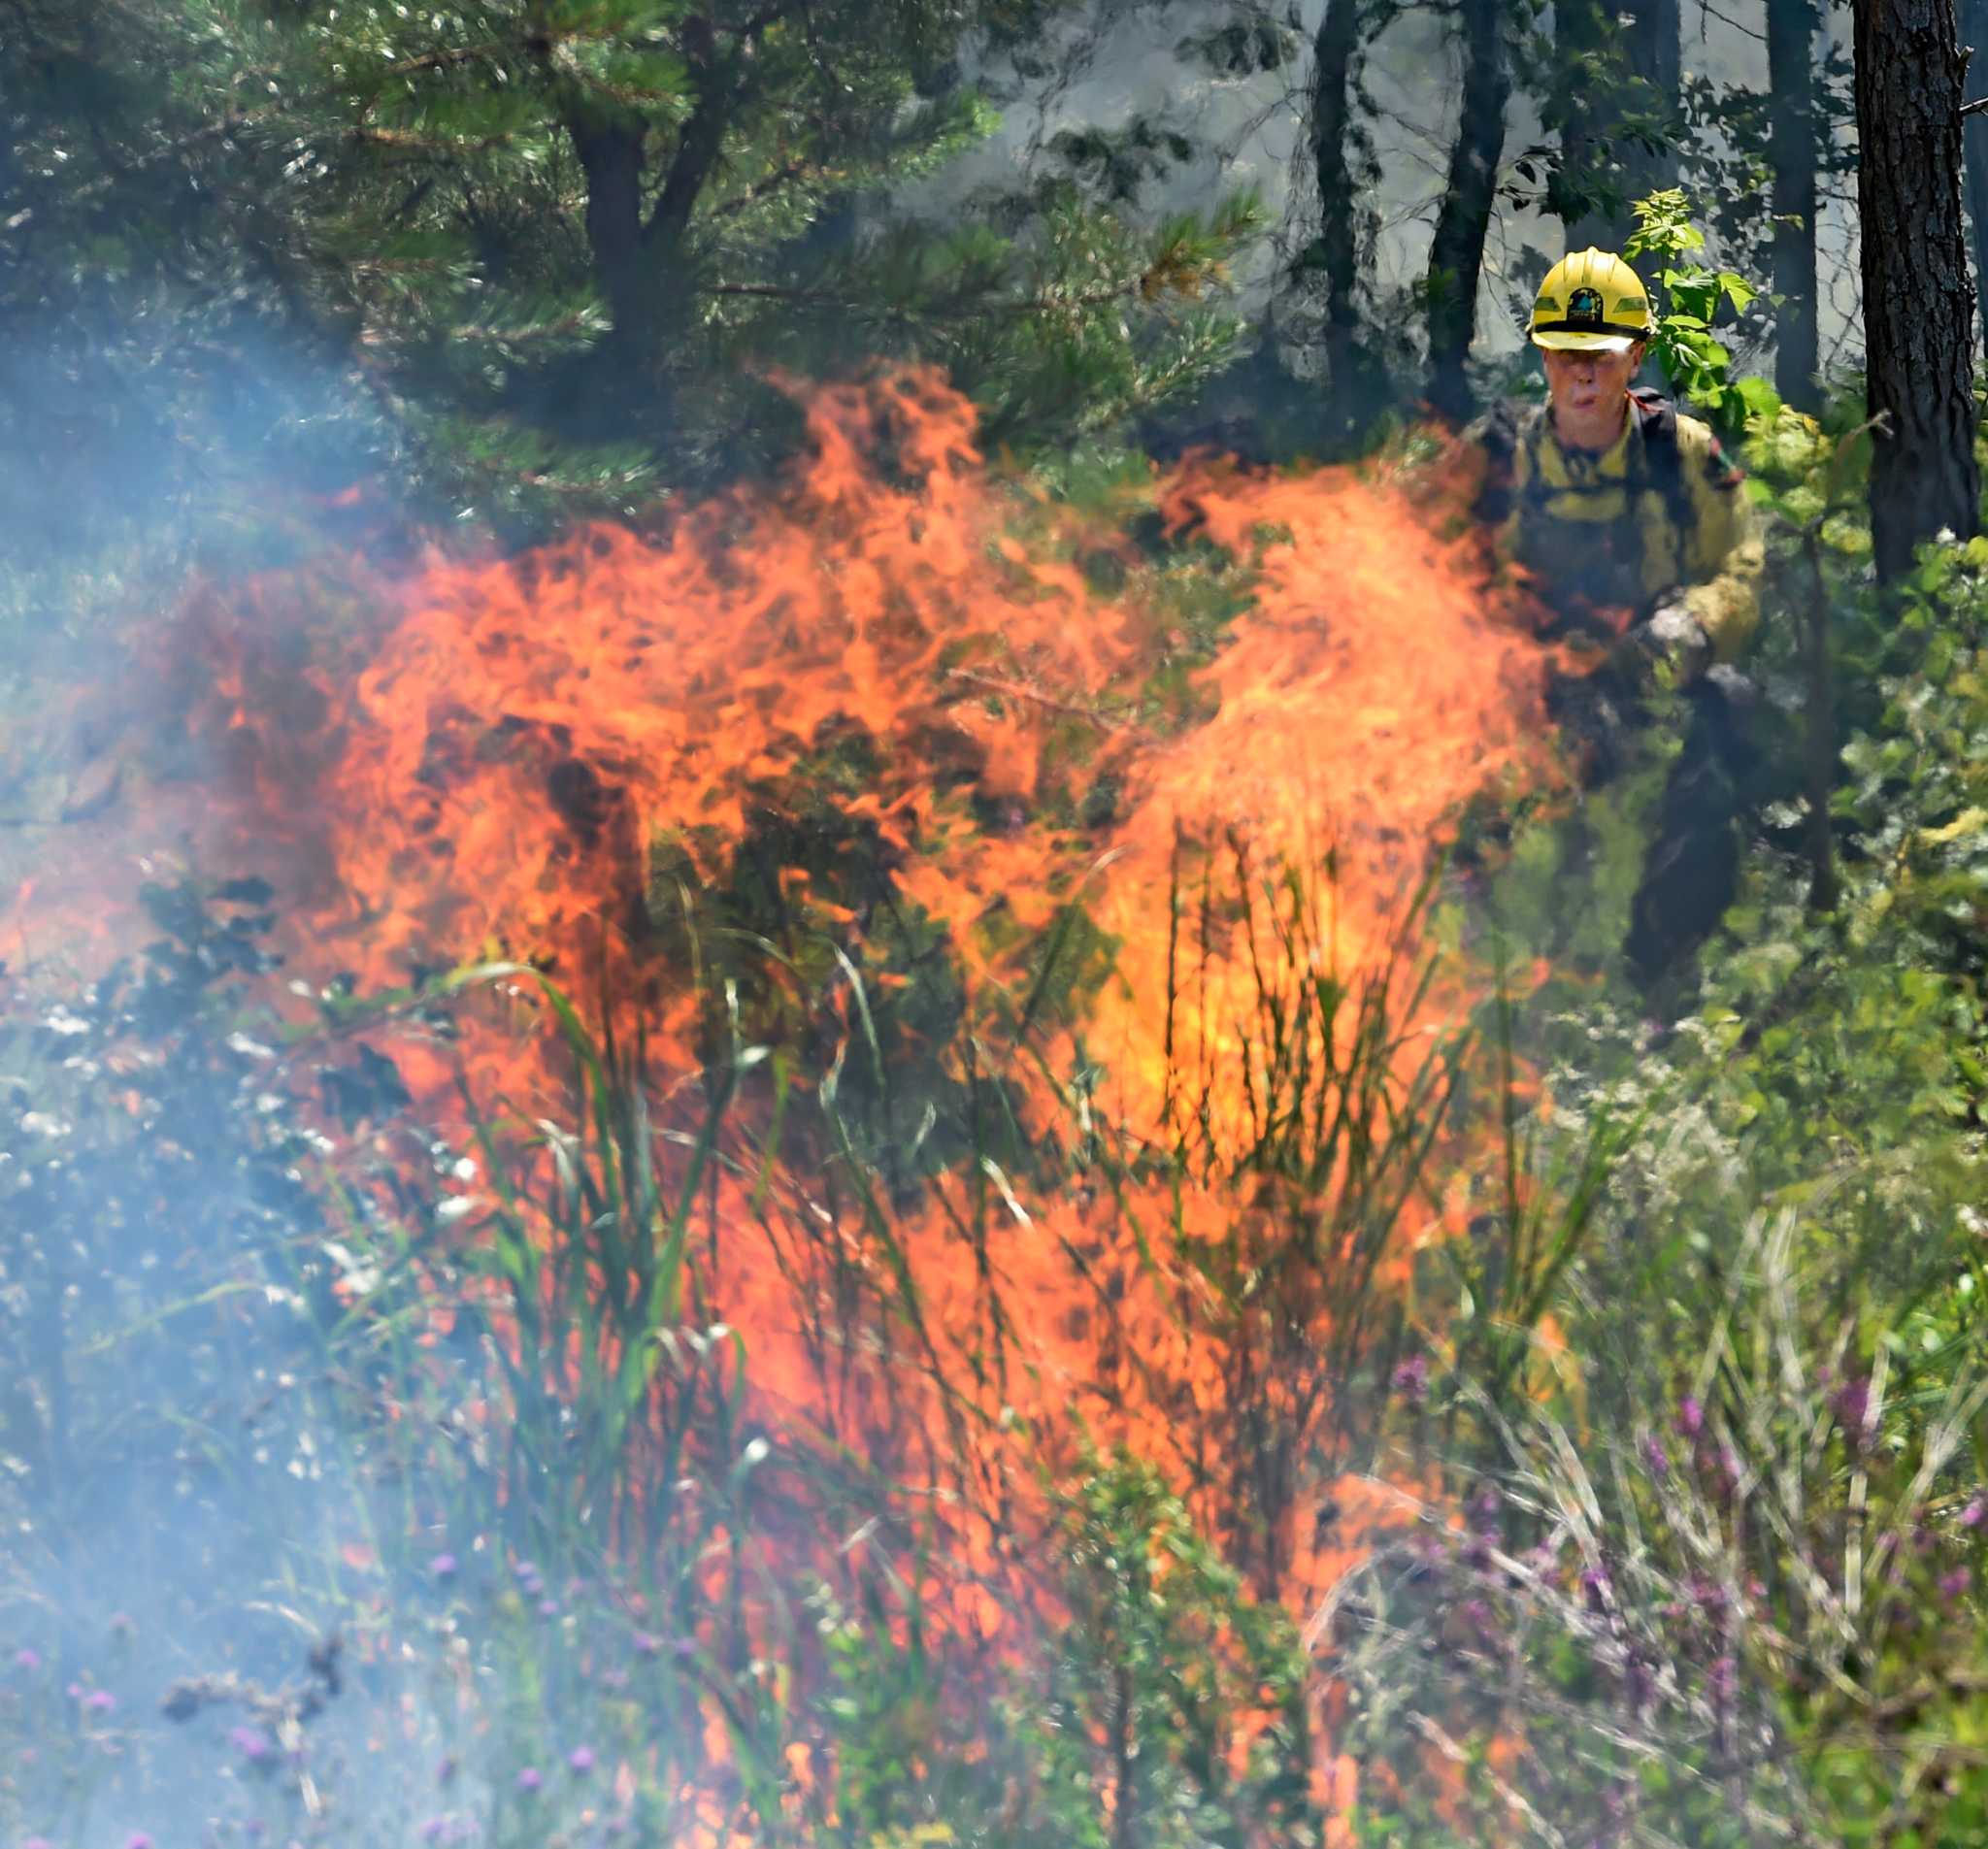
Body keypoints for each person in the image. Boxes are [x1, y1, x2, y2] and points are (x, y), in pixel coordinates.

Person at [1472, 247, 1766, 994]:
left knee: (1725, 714)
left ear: (1635, 357)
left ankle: (1662, 970)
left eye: (1600, 357)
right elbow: (1435, 573)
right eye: (1565, 355)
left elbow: (1743, 568)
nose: (1582, 375)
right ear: (1542, 355)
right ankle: (1480, 967)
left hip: (1648, 673)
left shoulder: (1684, 454)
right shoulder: (1500, 455)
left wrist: (1693, 627)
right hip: (1524, 683)